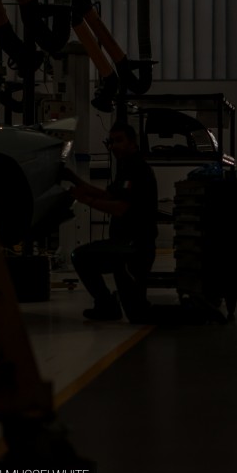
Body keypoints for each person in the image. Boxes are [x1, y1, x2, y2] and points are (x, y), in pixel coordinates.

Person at [62, 122, 158, 323]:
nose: (114, 146)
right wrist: (74, 179)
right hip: (123, 246)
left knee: (137, 314)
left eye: (119, 140)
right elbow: (108, 195)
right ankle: (106, 305)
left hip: (133, 248)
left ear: (132, 142)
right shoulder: (126, 167)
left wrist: (85, 200)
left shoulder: (138, 169)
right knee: (83, 257)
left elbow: (120, 208)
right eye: (111, 142)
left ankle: (107, 305)